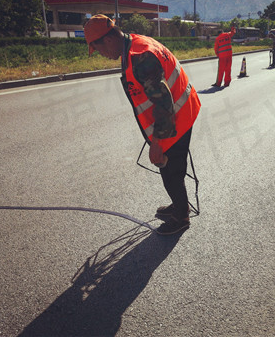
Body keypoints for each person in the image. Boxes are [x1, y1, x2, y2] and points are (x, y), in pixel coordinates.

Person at [84, 14, 201, 235]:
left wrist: (156, 142)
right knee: (172, 167)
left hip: (175, 117)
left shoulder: (140, 57)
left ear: (107, 40)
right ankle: (179, 205)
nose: (103, 55)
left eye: (98, 50)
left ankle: (181, 217)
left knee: (169, 170)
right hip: (181, 110)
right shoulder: (134, 43)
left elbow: (164, 103)